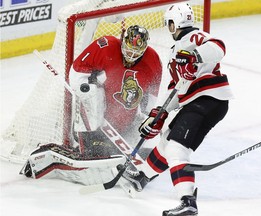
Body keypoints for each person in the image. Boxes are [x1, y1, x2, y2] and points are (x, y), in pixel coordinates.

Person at [121, 3, 234, 216]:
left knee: (176, 148)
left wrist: (195, 56)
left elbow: (219, 47)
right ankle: (141, 177)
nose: (168, 28)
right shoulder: (177, 50)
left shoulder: (194, 38)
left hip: (209, 98)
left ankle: (187, 201)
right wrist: (158, 115)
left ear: (175, 23)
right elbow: (176, 88)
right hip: (196, 101)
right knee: (166, 140)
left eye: (169, 24)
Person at [20, 25, 162, 192]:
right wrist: (93, 84)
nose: (130, 57)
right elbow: (76, 73)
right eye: (128, 50)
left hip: (124, 124)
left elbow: (150, 101)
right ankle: (82, 145)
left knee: (152, 122)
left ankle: (114, 149)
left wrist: (148, 118)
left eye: (136, 53)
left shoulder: (153, 61)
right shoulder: (105, 46)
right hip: (96, 121)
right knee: (90, 93)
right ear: (122, 41)